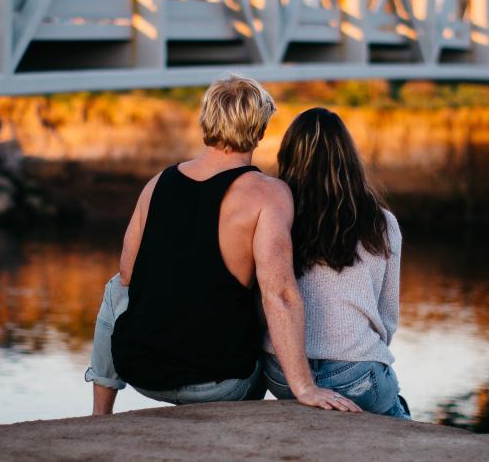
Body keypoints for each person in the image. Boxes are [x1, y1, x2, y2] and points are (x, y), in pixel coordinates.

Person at [85, 75, 361, 415]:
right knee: (263, 294)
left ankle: (100, 414)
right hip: (223, 385)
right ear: (259, 131)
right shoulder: (269, 194)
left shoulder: (158, 182)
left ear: (206, 121)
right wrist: (304, 386)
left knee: (116, 286)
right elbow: (281, 294)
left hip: (143, 373)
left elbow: (128, 275)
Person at [262, 107, 410, 419]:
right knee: (398, 413)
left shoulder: (274, 217)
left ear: (288, 155)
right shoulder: (381, 222)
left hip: (281, 372)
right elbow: (387, 316)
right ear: (348, 157)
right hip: (355, 373)